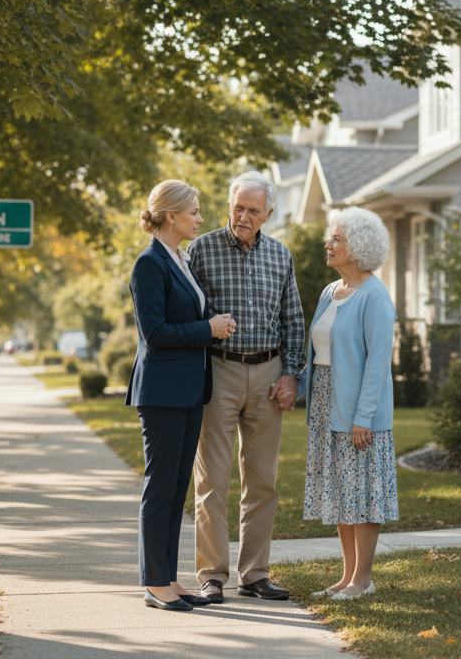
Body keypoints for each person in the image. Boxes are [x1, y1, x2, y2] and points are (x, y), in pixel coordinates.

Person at [187, 171, 306, 602]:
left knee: (262, 481)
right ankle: (212, 575)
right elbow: (186, 315)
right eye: (238, 207)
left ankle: (255, 574)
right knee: (212, 479)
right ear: (229, 205)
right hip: (220, 371)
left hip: (269, 374)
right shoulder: (200, 250)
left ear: (269, 214)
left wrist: (293, 375)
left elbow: (293, 319)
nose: (243, 216)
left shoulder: (280, 255)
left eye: (253, 210)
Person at [127, 180, 238, 612]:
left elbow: (183, 316)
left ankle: (169, 578)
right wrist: (205, 330)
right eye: (193, 211)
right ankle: (154, 583)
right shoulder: (149, 263)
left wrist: (213, 322)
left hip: (190, 389)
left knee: (176, 490)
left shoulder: (180, 258)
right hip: (162, 392)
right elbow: (153, 333)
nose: (200, 219)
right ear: (170, 216)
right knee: (160, 488)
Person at [301, 206, 398, 601]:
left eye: (336, 239)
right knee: (342, 492)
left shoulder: (375, 296)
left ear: (356, 248)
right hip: (327, 403)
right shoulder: (331, 292)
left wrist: (364, 419)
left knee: (364, 494)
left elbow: (377, 363)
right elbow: (320, 352)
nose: (328, 244)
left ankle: (364, 579)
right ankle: (347, 577)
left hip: (360, 410)